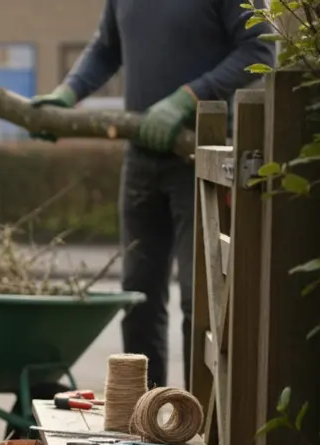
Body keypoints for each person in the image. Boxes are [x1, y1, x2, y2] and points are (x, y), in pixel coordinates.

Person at [30, 0, 276, 390]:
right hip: (141, 159)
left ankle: (199, 418)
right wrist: (68, 92)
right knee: (138, 299)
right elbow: (106, 48)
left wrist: (189, 97)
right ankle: (144, 412)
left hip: (201, 156)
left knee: (200, 303)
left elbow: (260, 49)